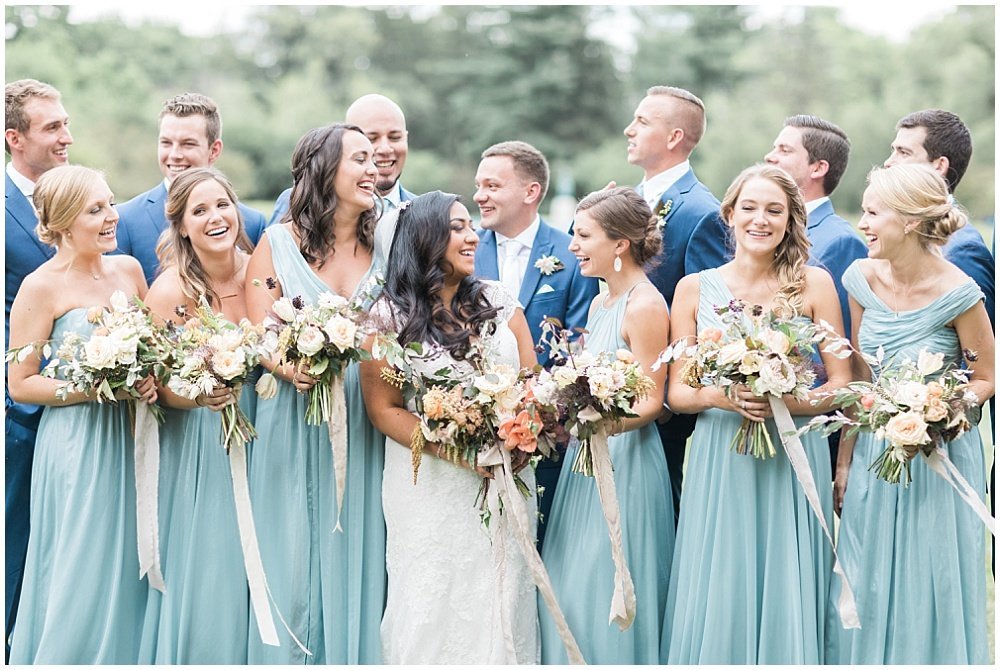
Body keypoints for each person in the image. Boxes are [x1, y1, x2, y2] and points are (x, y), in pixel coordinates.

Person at [662, 164, 851, 664]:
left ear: (791, 220)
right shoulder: (694, 289)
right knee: (722, 571)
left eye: (774, 210)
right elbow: (678, 392)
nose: (760, 220)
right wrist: (723, 398)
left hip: (792, 453)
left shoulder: (814, 284)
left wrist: (785, 403)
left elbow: (842, 382)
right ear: (729, 214)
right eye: (749, 208)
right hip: (720, 454)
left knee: (785, 571)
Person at [359, 191, 539, 664]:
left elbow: (531, 386)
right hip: (429, 483)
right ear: (425, 237)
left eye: (470, 226)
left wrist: (520, 432)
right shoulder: (387, 318)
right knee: (430, 601)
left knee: (503, 596)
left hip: (506, 478)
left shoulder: (501, 303)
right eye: (457, 227)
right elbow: (385, 410)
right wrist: (456, 449)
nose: (472, 235)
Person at [826, 164, 993, 664]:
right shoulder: (859, 278)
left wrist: (943, 409)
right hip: (877, 452)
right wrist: (844, 462)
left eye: (874, 212)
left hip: (938, 457)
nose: (863, 223)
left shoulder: (960, 292)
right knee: (870, 574)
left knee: (931, 576)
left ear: (912, 222)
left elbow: (987, 376)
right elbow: (859, 377)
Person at [244, 123, 386, 664]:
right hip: (297, 414)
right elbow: (260, 335)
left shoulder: (388, 240)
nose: (373, 169)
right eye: (359, 159)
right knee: (294, 548)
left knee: (360, 540)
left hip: (368, 417)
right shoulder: (278, 244)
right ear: (325, 170)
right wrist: (290, 369)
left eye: (374, 159)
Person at [7, 165, 156, 663]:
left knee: (132, 557)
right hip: (77, 442)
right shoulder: (40, 286)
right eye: (96, 210)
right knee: (82, 558)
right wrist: (92, 387)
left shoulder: (130, 270)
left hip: (134, 434)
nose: (113, 217)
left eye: (110, 203)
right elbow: (21, 381)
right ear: (65, 222)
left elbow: (154, 347)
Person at [539, 187, 674, 664]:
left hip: (625, 462)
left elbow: (653, 400)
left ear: (619, 244)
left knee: (605, 577)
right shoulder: (599, 304)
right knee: (572, 577)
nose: (573, 245)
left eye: (582, 235)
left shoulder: (644, 305)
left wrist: (594, 424)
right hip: (586, 456)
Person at [137, 167, 256, 663]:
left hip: (268, 434)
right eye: (199, 211)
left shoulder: (262, 272)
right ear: (181, 226)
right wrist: (199, 393)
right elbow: (156, 387)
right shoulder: (169, 291)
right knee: (214, 563)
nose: (215, 218)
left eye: (222, 205)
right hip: (204, 446)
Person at [472, 139, 599, 546]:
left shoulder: (572, 252)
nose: (480, 196)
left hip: (546, 433)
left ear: (531, 192)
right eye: (479, 186)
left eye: (492, 186)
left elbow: (579, 342)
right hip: (472, 426)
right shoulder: (462, 248)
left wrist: (543, 413)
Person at [623, 85, 730, 524]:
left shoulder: (701, 211)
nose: (629, 129)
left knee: (655, 515)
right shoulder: (627, 201)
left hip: (663, 406)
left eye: (643, 121)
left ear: (673, 137)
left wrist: (669, 398)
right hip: (615, 388)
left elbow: (711, 316)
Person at [3, 78, 72, 657]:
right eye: (52, 127)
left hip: (82, 407)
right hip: (14, 409)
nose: (66, 137)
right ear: (14, 139)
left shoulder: (76, 194)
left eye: (65, 124)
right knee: (13, 542)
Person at [116, 92, 267, 285]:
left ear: (214, 150)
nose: (175, 154)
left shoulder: (253, 223)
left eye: (188, 144)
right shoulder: (126, 219)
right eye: (166, 143)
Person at [269, 93, 415, 259]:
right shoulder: (295, 202)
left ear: (406, 138)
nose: (385, 149)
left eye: (395, 137)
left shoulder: (424, 214)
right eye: (371, 138)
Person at [883, 109, 994, 327]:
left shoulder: (962, 249)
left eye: (903, 153)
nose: (888, 162)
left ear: (939, 165)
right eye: (893, 150)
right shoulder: (890, 233)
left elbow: (980, 350)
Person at [764, 114, 867, 336]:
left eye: (784, 150)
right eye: (774, 148)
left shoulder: (842, 242)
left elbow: (842, 336)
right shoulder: (760, 229)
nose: (769, 157)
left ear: (818, 168)